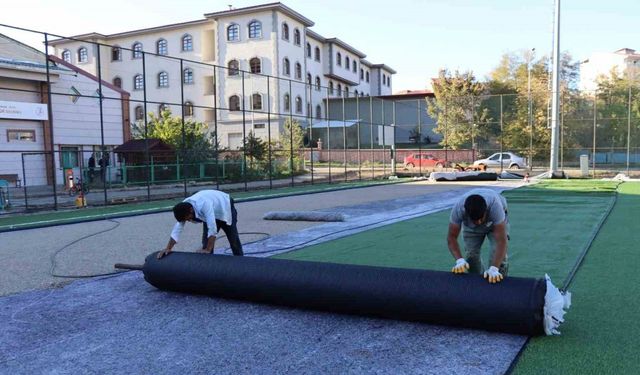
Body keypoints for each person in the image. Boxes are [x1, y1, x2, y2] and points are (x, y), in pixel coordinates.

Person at [157, 190, 243, 259]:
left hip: (225, 207)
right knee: (206, 244)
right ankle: (209, 266)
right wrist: (168, 248)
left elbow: (212, 229)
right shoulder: (183, 208)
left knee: (233, 239)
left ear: (191, 210)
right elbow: (177, 230)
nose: (189, 221)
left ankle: (241, 262)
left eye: (188, 218)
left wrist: (208, 250)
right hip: (211, 212)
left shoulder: (204, 204)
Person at [447, 188, 509, 284]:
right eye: (475, 220)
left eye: (480, 219)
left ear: (486, 211)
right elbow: (452, 237)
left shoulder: (495, 207)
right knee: (471, 257)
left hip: (494, 223)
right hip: (470, 227)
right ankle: (477, 285)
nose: (479, 223)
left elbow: (502, 241)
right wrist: (459, 260)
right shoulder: (459, 210)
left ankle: (499, 286)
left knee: (499, 260)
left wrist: (494, 268)